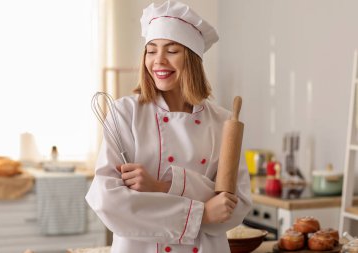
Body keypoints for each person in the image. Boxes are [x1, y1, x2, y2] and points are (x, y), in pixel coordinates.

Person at [86, 1, 252, 252]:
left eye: (172, 50)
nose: (158, 61)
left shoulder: (223, 122)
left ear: (192, 59)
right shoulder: (125, 114)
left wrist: (160, 187)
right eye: (151, 51)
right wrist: (201, 214)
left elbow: (234, 208)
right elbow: (107, 200)